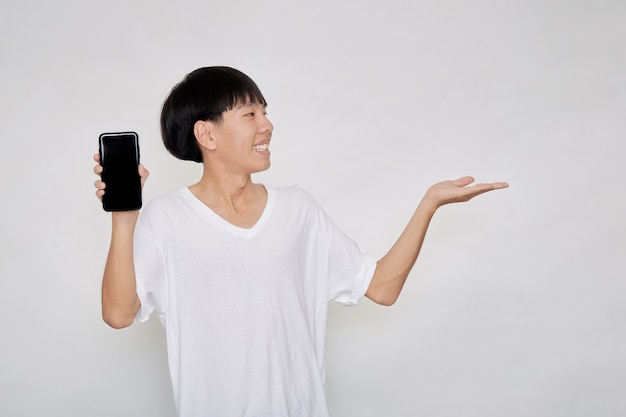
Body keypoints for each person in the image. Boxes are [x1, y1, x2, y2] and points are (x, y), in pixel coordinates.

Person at [93, 66, 508, 417]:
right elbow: (118, 313)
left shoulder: (298, 210)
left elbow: (381, 287)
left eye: (266, 112)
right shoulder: (167, 220)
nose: (267, 124)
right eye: (250, 113)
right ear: (207, 134)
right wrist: (124, 218)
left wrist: (429, 203)